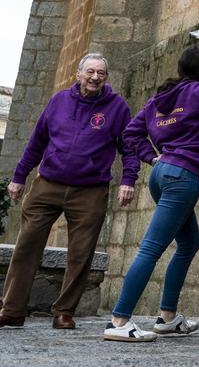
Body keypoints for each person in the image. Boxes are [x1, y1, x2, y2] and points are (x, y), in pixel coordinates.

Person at [107, 44, 199, 342]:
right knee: (151, 249)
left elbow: (132, 133)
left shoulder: (159, 99)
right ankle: (119, 321)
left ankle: (168, 317)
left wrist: (152, 157)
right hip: (183, 176)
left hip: (162, 173)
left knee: (189, 243)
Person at [0, 54, 137, 331]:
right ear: (78, 74)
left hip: (90, 190)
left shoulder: (117, 107)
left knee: (81, 253)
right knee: (26, 244)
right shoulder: (59, 101)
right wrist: (19, 176)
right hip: (47, 184)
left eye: (101, 73)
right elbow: (37, 141)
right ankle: (12, 310)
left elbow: (129, 147)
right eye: (90, 72)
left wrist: (128, 180)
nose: (95, 77)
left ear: (106, 77)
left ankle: (64, 311)